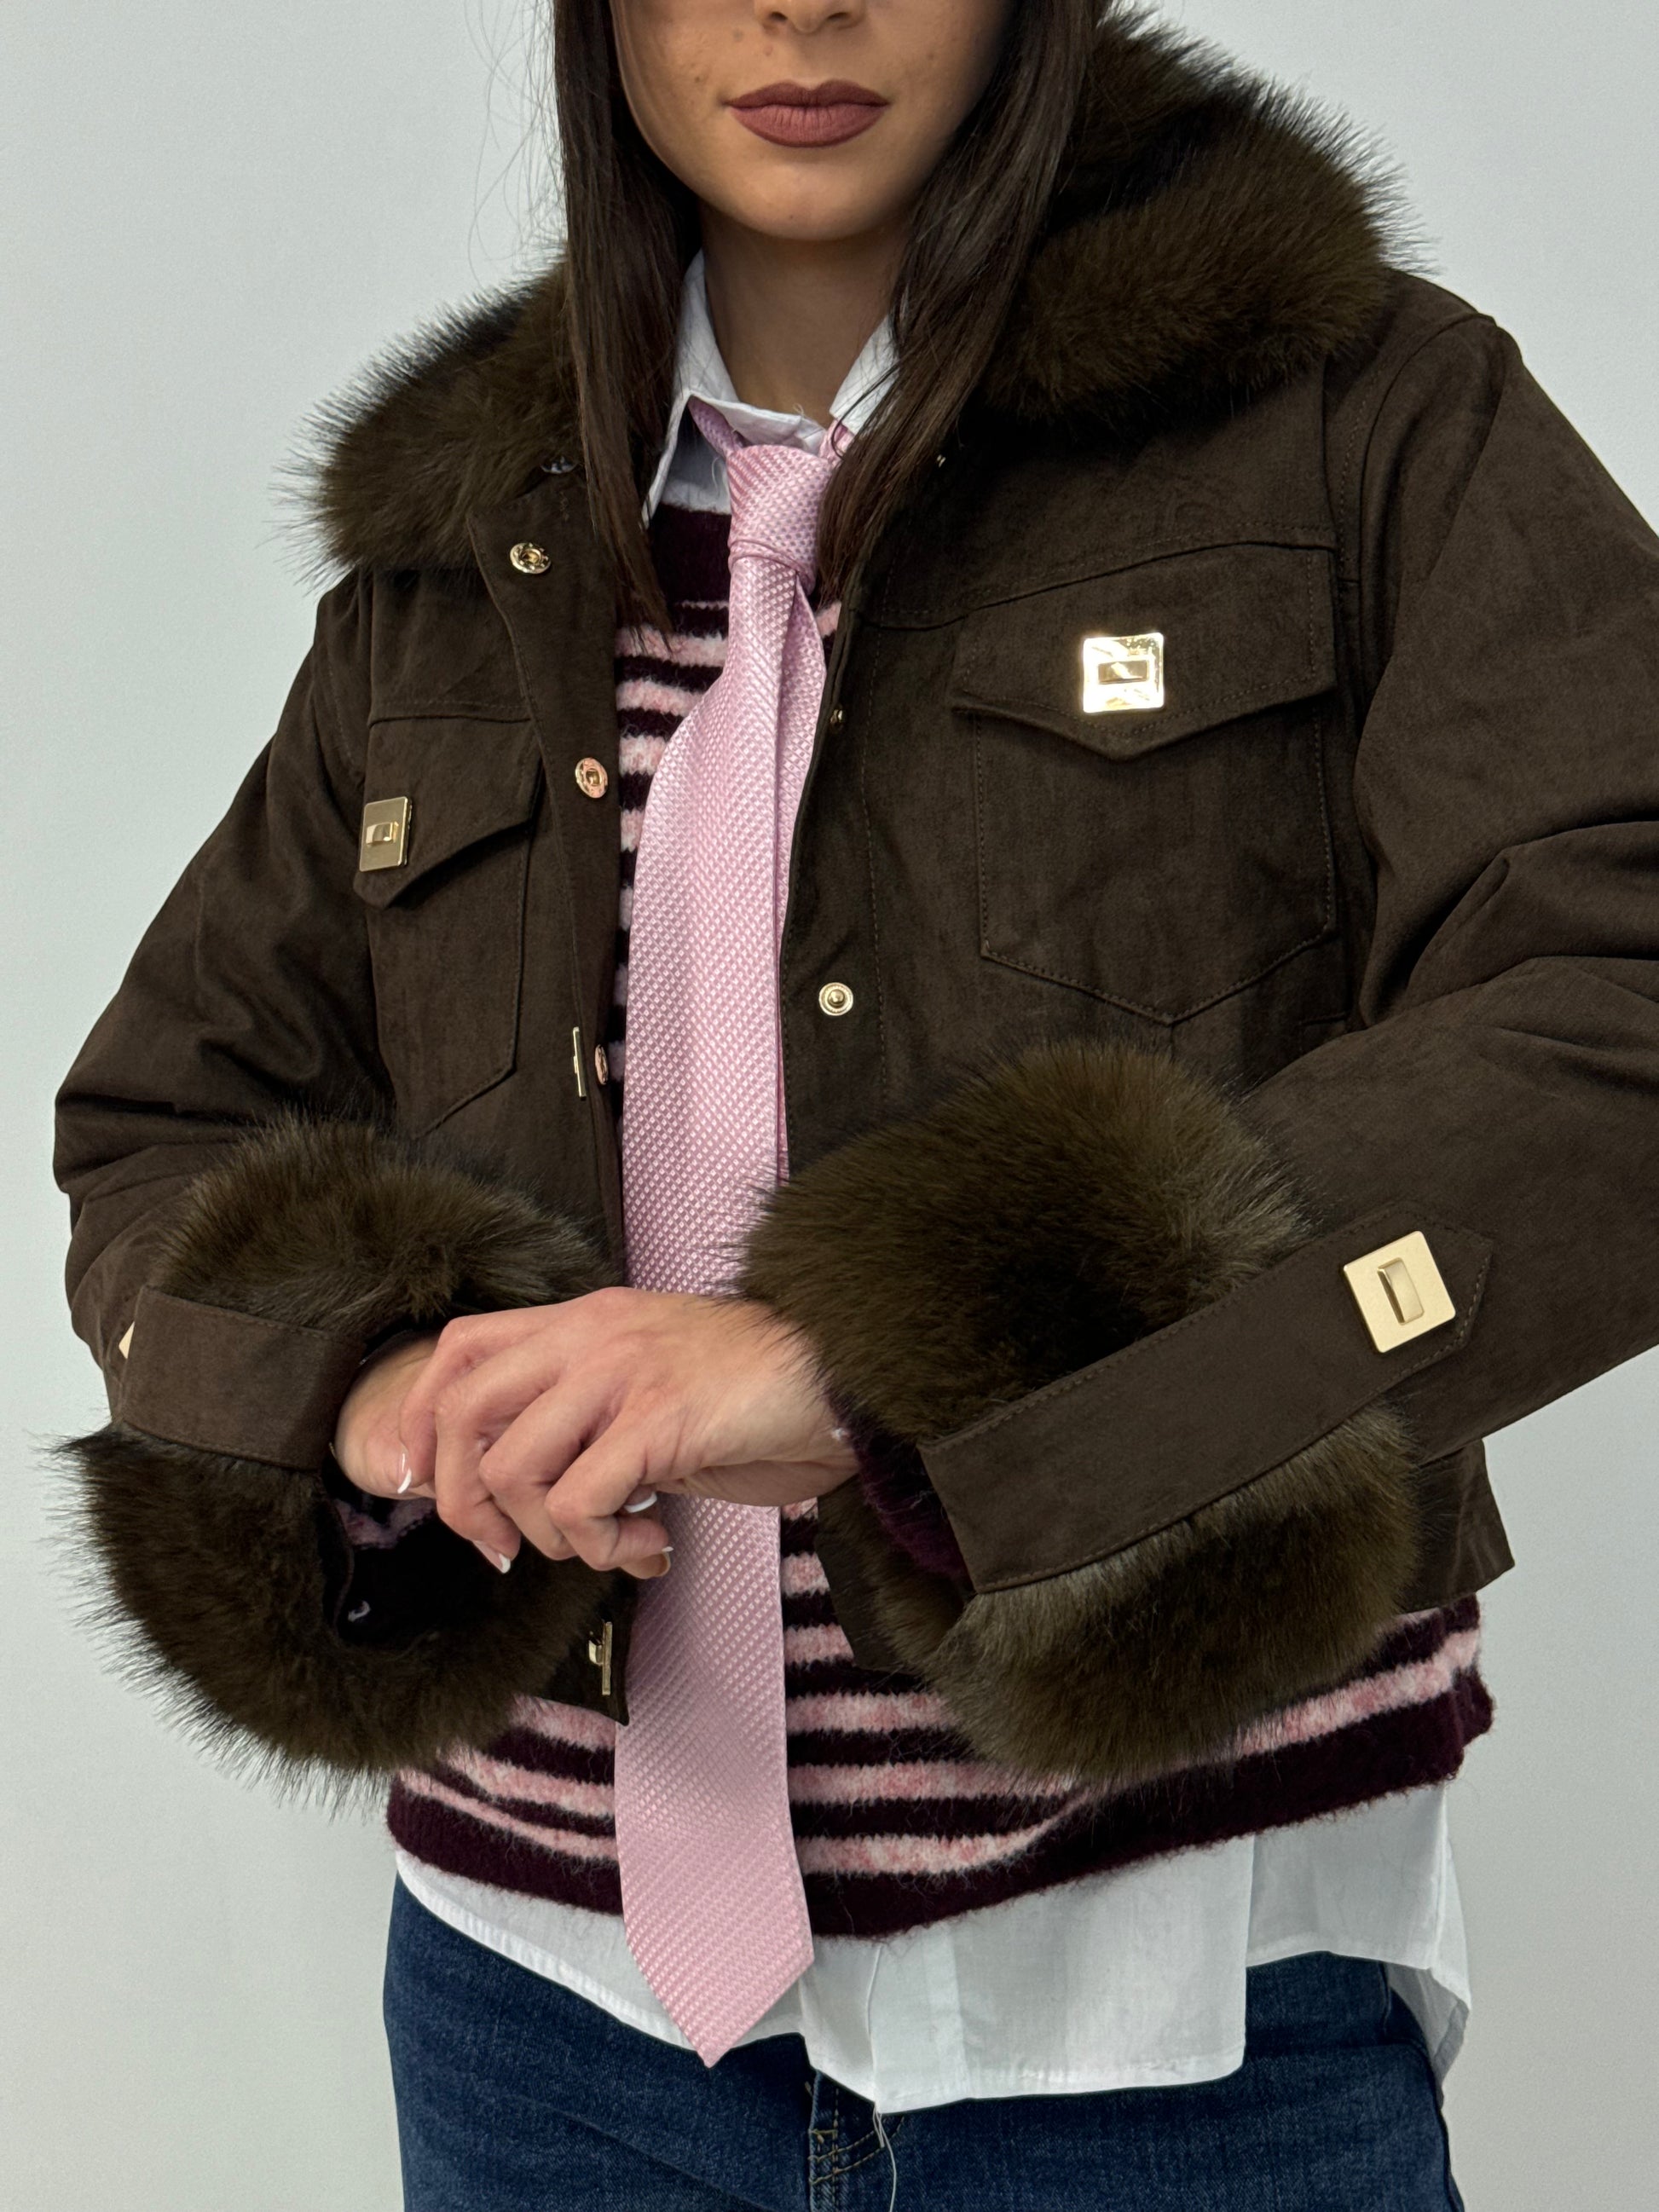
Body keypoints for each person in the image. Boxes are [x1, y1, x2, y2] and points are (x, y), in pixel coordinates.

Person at [53, 2, 1659, 2206]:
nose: (803, 4)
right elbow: (168, 1115)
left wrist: (897, 1359)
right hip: (540, 2023)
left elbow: (1622, 999)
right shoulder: (469, 546)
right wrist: (375, 1379)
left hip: (1176, 2009)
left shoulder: (1356, 419)